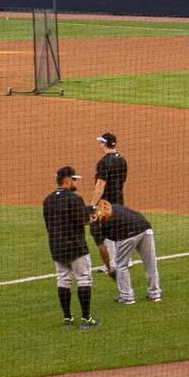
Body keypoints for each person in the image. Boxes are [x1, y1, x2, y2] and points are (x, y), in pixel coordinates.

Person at [43, 166, 97, 328]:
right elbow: (84, 220)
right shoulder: (74, 198)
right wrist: (95, 217)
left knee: (63, 280)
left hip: (56, 247)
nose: (75, 182)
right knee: (84, 279)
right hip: (76, 247)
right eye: (74, 179)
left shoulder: (48, 200)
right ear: (67, 180)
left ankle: (67, 318)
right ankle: (86, 319)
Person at [90, 199, 160, 305]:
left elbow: (102, 249)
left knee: (121, 265)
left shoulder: (94, 224)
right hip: (145, 227)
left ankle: (127, 297)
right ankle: (155, 295)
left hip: (127, 233)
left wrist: (109, 267)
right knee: (150, 263)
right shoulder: (115, 207)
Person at [94, 132, 129, 207]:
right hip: (119, 203)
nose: (100, 144)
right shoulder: (122, 160)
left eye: (101, 142)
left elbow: (100, 186)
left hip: (106, 204)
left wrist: (93, 205)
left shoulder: (103, 162)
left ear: (105, 144)